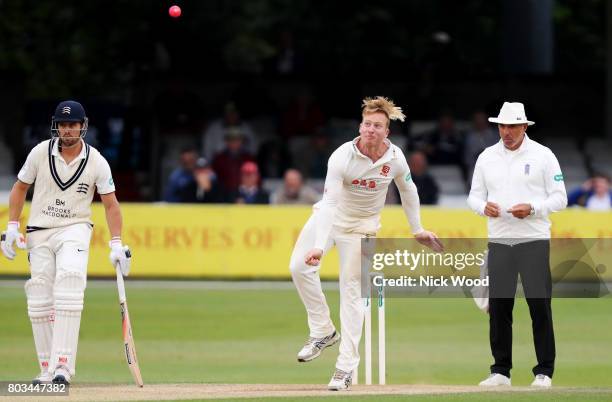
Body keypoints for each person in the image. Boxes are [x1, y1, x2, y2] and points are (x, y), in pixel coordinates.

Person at [289, 97, 443, 391]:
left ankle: (345, 368)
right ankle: (322, 331)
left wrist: (417, 229)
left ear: (387, 131)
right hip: (330, 218)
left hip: (363, 228)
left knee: (352, 292)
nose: (371, 130)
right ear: (360, 126)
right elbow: (331, 202)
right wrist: (319, 247)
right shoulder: (341, 156)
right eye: (367, 124)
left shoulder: (395, 158)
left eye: (378, 126)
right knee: (298, 267)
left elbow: (408, 192)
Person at [0, 100, 131, 385]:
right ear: (55, 125)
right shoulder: (39, 153)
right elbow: (20, 188)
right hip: (40, 229)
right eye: (63, 124)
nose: (68, 130)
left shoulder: (96, 160)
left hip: (75, 227)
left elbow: (111, 205)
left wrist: (116, 243)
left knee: (69, 283)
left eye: (73, 125)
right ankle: (47, 370)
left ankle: (63, 367)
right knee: (38, 297)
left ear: (83, 126)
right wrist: (11, 226)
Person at [468, 101, 567, 388]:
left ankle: (544, 371)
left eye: (512, 126)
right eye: (502, 126)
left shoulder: (543, 155)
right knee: (499, 308)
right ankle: (500, 370)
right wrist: (482, 207)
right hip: (499, 239)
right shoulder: (487, 156)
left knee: (539, 305)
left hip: (533, 238)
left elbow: (559, 197)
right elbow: (474, 196)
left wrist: (533, 208)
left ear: (524, 126)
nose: (506, 131)